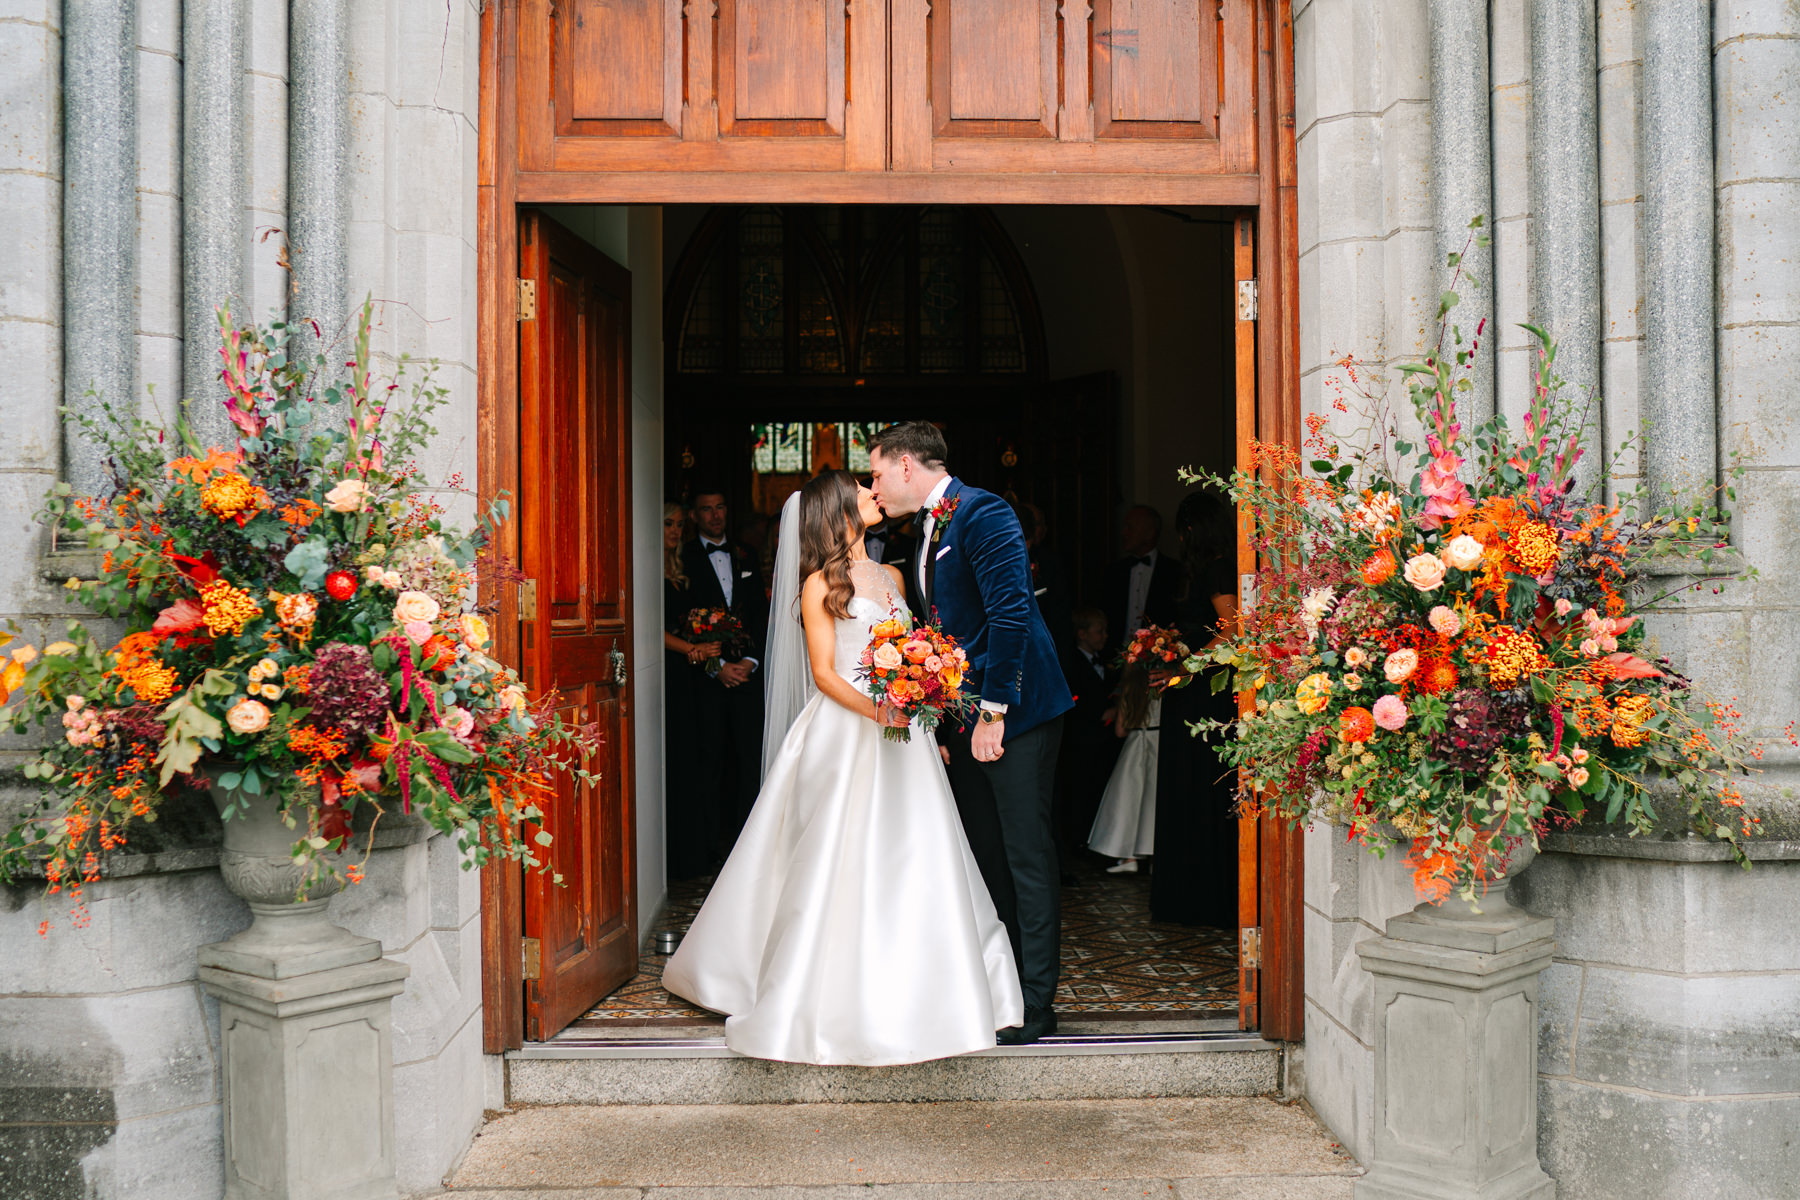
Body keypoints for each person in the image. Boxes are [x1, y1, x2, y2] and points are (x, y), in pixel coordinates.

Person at [661, 472, 1021, 1065]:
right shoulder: (817, 584)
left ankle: (932, 988)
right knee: (837, 857)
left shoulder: (895, 576)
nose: (873, 492)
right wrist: (880, 710)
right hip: (846, 732)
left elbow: (915, 652)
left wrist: (923, 712)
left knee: (917, 854)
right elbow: (826, 674)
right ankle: (818, 988)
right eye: (861, 489)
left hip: (906, 737)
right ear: (839, 511)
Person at [868, 421, 1074, 1046]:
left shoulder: (984, 512)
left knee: (1026, 856)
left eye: (876, 473)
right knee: (988, 859)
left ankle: (1037, 1002)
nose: (873, 488)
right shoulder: (927, 529)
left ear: (907, 465)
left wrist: (992, 712)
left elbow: (1012, 613)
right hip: (966, 718)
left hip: (1017, 714)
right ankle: (1002, 988)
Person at [1150, 489, 1241, 928]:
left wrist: (1187, 667)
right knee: (1185, 787)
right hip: (1190, 689)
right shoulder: (1206, 569)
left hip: (1207, 692)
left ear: (1192, 530)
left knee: (1200, 787)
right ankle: (1187, 897)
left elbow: (1234, 630)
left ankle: (1203, 898)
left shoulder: (1220, 569)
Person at [681, 488, 769, 856]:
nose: (715, 516)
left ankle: (749, 845)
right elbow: (680, 616)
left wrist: (750, 661)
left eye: (720, 507)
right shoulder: (682, 558)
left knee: (750, 758)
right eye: (706, 509)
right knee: (709, 759)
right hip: (705, 677)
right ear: (694, 516)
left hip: (747, 673)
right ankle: (708, 846)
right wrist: (716, 667)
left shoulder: (745, 553)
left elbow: (761, 615)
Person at [662, 501, 722, 880]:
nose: (674, 531)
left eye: (680, 525)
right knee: (678, 760)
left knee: (699, 757)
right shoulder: (648, 566)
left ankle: (696, 854)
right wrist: (691, 649)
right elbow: (647, 624)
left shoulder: (682, 569)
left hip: (692, 674)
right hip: (669, 671)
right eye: (668, 524)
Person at [1054, 607, 1120, 876]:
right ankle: (1078, 842)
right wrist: (1099, 715)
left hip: (1104, 741)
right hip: (1081, 741)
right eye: (1098, 631)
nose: (1104, 636)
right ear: (1081, 634)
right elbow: (1072, 700)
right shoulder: (1070, 663)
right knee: (1080, 792)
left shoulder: (1106, 661)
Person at [1086, 656, 1159, 873]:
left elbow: (1119, 731)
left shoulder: (1131, 689)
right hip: (1160, 743)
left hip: (1137, 741)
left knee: (1129, 801)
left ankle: (1128, 858)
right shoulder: (1163, 686)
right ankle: (1156, 858)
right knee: (1153, 803)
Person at [1105, 504, 1181, 654]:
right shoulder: (1113, 571)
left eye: (1130, 527)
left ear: (1150, 533)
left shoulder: (1174, 571)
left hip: (1158, 660)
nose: (1123, 532)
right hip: (1115, 659)